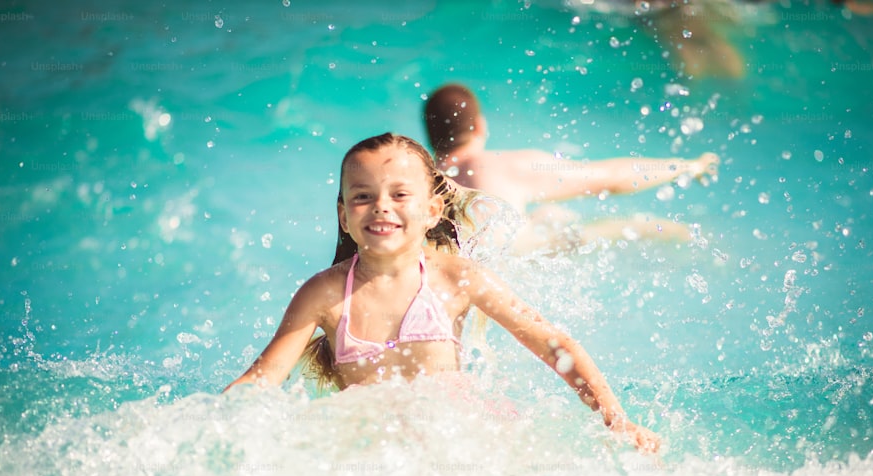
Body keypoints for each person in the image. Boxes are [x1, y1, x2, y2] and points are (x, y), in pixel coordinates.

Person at [225, 133, 660, 452]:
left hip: (461, 444)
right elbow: (262, 380)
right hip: (375, 455)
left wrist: (617, 421)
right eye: (362, 196)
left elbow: (554, 345)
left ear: (432, 210)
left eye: (400, 194)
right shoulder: (324, 293)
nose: (381, 206)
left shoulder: (456, 278)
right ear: (343, 215)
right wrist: (205, 427)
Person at [422, 83, 720, 252]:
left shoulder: (420, 178)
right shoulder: (507, 165)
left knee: (545, 215)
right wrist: (685, 166)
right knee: (636, 225)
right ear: (481, 127)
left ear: (430, 137)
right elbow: (611, 179)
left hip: (462, 270)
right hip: (523, 262)